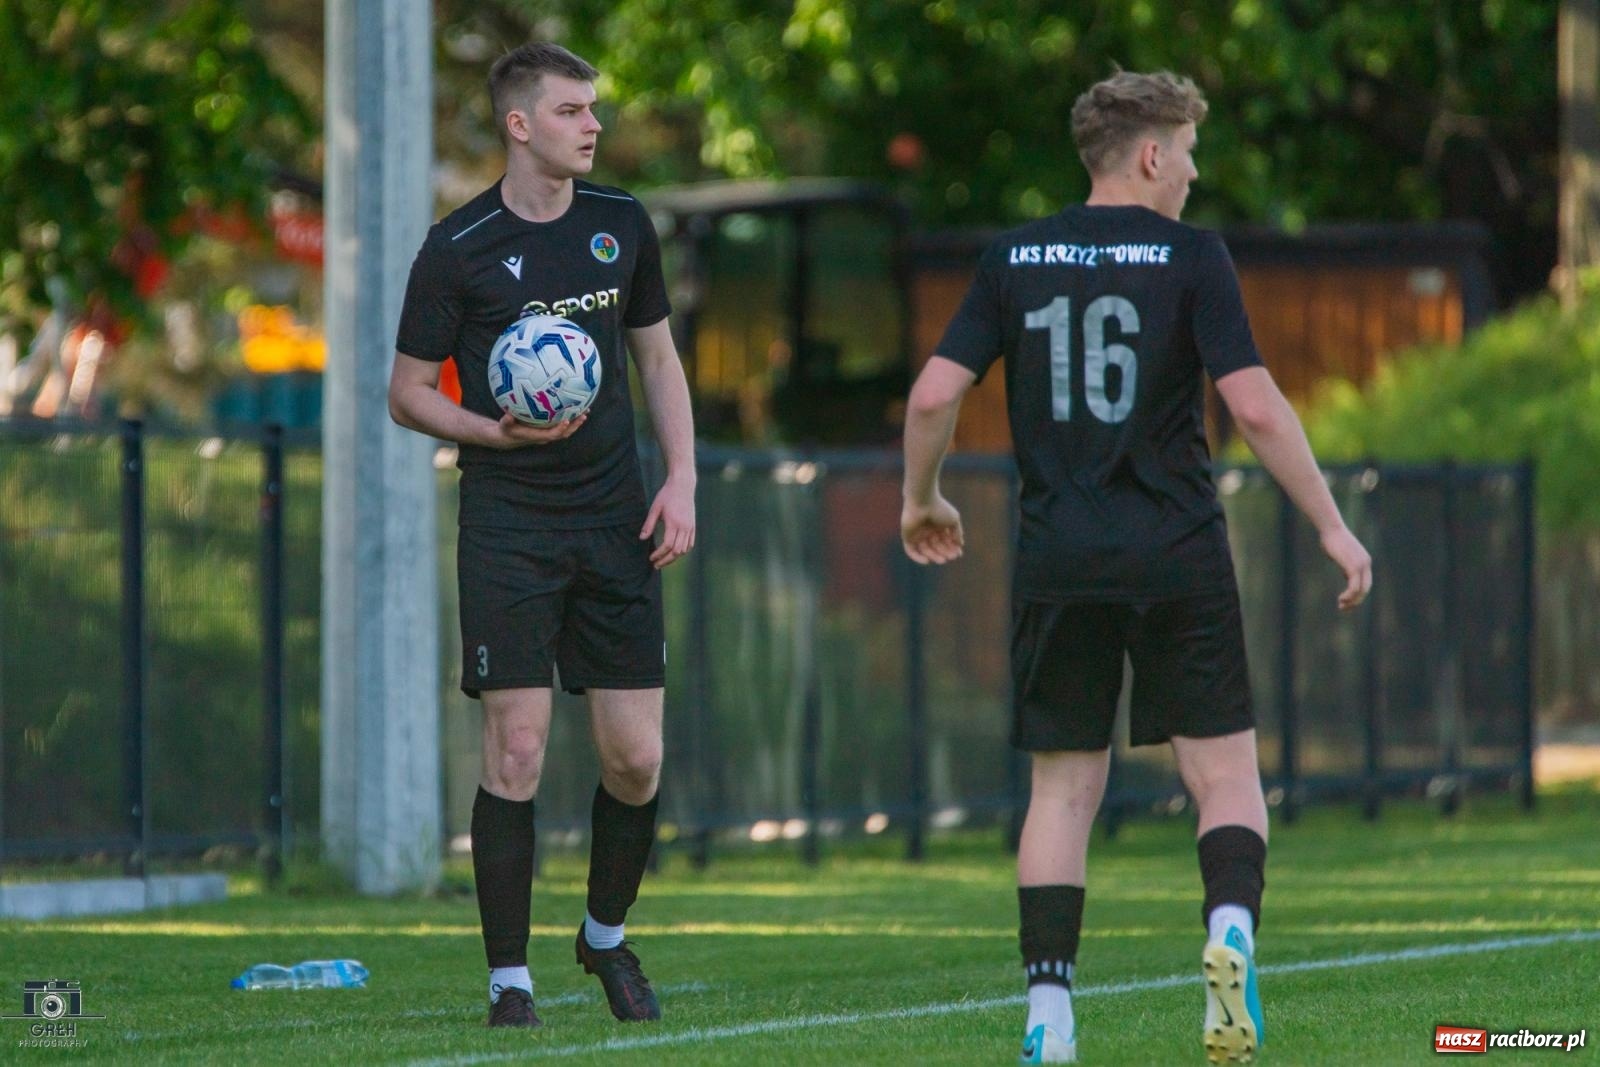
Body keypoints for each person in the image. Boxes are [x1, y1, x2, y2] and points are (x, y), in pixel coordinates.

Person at [900, 70, 1372, 1064]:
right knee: (1223, 776)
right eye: (1189, 152)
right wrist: (1330, 524)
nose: (1194, 173)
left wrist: (921, 497)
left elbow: (932, 394)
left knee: (1062, 791)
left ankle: (1048, 1014)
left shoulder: (1012, 257)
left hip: (1057, 558)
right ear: (1150, 154)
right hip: (1177, 551)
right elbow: (1251, 406)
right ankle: (1230, 931)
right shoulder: (1192, 257)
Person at [389, 41, 696, 1029]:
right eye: (572, 110)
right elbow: (404, 392)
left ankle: (603, 937)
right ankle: (508, 979)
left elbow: (656, 358)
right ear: (520, 124)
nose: (593, 125)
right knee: (516, 747)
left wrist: (681, 478)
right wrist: (492, 429)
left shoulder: (619, 223)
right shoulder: (458, 244)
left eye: (592, 109)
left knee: (635, 757)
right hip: (510, 520)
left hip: (616, 515)